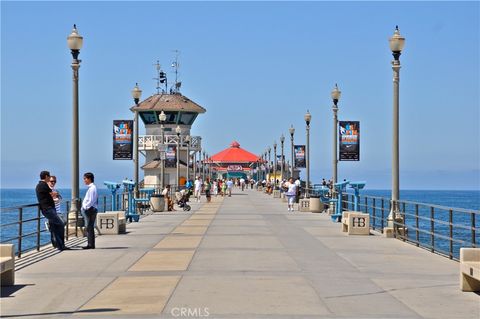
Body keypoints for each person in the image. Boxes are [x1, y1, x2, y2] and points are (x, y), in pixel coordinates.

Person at [36, 171, 68, 251]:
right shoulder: (43, 185)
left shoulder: (39, 185)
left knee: (54, 227)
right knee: (60, 225)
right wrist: (55, 194)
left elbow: (53, 194)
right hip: (48, 209)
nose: (50, 179)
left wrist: (55, 194)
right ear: (46, 176)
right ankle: (61, 246)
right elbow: (53, 194)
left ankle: (59, 245)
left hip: (47, 209)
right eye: (49, 177)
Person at [47, 175, 66, 248]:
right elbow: (48, 200)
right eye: (51, 181)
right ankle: (57, 245)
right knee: (54, 230)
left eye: (54, 181)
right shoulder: (48, 190)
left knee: (59, 228)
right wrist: (55, 198)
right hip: (53, 213)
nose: (53, 183)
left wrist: (57, 197)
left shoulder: (55, 190)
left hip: (58, 212)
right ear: (48, 181)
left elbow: (60, 198)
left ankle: (59, 244)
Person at [81, 172, 98, 249]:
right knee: (90, 227)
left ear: (89, 179)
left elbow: (91, 200)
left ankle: (90, 244)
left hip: (90, 210)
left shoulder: (92, 188)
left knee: (89, 227)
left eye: (85, 178)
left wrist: (85, 207)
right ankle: (91, 244)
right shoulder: (92, 188)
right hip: (91, 209)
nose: (84, 180)